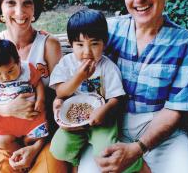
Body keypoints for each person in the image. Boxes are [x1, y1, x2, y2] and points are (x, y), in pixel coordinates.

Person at [78, 0, 188, 172]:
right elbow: (83, 71)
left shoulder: (186, 43)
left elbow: (174, 109)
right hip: (110, 125)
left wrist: (137, 149)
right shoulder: (108, 32)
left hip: (161, 132)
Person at [0, 0, 67, 172]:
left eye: (27, 2)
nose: (20, 12)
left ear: (34, 8)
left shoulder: (48, 45)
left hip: (42, 133)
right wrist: (5, 109)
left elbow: (60, 97)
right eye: (11, 2)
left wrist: (36, 148)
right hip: (4, 136)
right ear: (0, 8)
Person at [49, 9, 146, 172]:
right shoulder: (67, 64)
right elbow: (61, 93)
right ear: (71, 44)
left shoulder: (107, 67)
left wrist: (104, 111)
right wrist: (78, 77)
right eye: (80, 45)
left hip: (103, 121)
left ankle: (137, 164)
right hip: (73, 121)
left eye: (94, 44)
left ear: (104, 43)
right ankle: (76, 158)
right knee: (58, 149)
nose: (87, 52)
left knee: (107, 155)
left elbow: (117, 98)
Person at [0, 39, 48, 155]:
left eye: (10, 70)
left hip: (31, 115)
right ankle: (17, 154)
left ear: (19, 62)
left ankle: (29, 142)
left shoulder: (28, 70)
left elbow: (38, 83)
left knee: (40, 133)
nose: (5, 77)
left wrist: (41, 100)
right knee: (3, 141)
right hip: (5, 120)